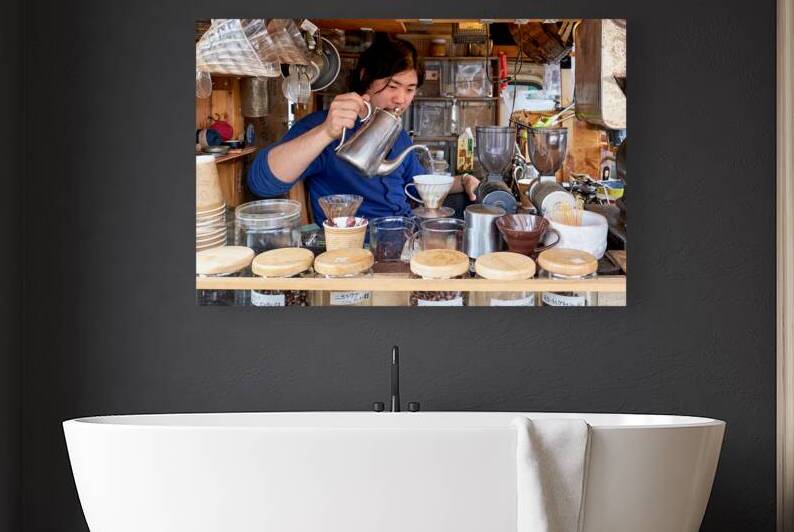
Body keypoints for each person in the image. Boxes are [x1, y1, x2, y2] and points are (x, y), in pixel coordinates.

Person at [247, 36, 480, 225]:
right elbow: (262, 183)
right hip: (360, 244)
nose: (401, 99)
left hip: (406, 233)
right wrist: (327, 132)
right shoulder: (326, 125)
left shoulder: (397, 135)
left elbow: (419, 185)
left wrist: (465, 180)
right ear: (365, 76)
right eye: (392, 86)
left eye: (409, 89)